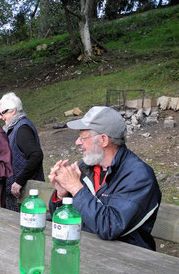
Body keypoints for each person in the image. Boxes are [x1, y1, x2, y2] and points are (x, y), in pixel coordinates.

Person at [48, 106, 161, 250]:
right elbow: (59, 215)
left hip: (127, 258)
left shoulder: (139, 177)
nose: (77, 142)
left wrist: (75, 188)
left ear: (103, 140)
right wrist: (62, 193)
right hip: (87, 247)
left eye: (83, 137)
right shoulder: (86, 167)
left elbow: (110, 226)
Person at [0, 92, 45, 211]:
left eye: (2, 113)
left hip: (24, 194)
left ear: (13, 111)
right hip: (18, 193)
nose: (1, 117)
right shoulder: (15, 127)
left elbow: (36, 155)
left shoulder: (22, 129)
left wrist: (19, 181)